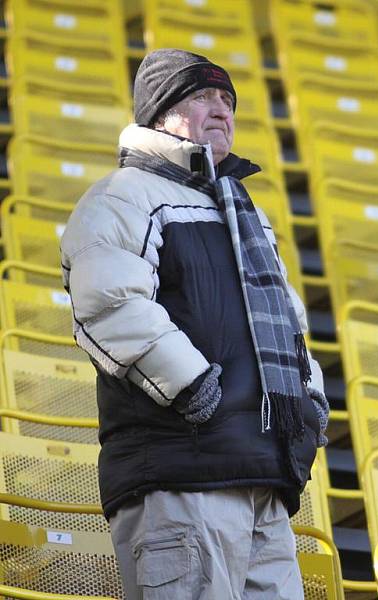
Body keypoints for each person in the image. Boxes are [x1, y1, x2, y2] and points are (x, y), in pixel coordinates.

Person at [60, 48, 328, 599]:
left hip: (262, 478)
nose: (221, 109)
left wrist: (309, 397)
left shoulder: (242, 208)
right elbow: (108, 303)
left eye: (227, 99)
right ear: (160, 113)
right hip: (182, 472)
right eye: (202, 96)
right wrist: (192, 386)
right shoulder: (123, 196)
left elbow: (286, 318)